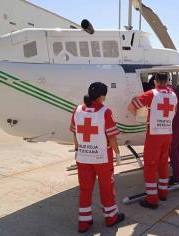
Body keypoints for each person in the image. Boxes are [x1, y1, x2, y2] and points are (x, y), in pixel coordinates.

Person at [70, 82, 125, 233]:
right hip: (102, 158)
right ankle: (111, 217)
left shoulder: (78, 110)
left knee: (85, 189)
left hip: (83, 157)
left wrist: (77, 149)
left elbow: (75, 133)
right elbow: (112, 137)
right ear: (102, 96)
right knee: (107, 188)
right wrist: (118, 153)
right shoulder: (105, 112)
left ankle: (84, 221)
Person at [128, 73, 177, 209]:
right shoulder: (173, 95)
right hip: (168, 133)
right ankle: (163, 193)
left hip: (154, 135)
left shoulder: (151, 94)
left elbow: (131, 107)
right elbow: (175, 111)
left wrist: (142, 119)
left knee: (150, 166)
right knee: (163, 164)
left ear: (155, 81)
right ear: (167, 81)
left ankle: (152, 199)